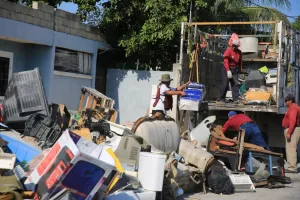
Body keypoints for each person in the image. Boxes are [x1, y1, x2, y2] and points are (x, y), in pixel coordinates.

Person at [217, 33, 242, 104]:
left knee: (235, 84)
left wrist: (240, 70)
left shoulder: (239, 52)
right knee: (225, 83)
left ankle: (236, 99)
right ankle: (221, 98)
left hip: (235, 69)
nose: (234, 47)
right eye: (233, 46)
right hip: (226, 68)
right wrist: (228, 70)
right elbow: (226, 61)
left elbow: (240, 62)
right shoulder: (228, 51)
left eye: (236, 46)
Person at [282, 93, 300, 173]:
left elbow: (292, 121)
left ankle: (292, 168)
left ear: (290, 101)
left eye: (286, 100)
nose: (285, 102)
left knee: (291, 148)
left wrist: (289, 132)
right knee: (290, 148)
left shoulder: (293, 108)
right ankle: (291, 166)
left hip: (292, 130)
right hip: (292, 129)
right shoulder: (293, 107)